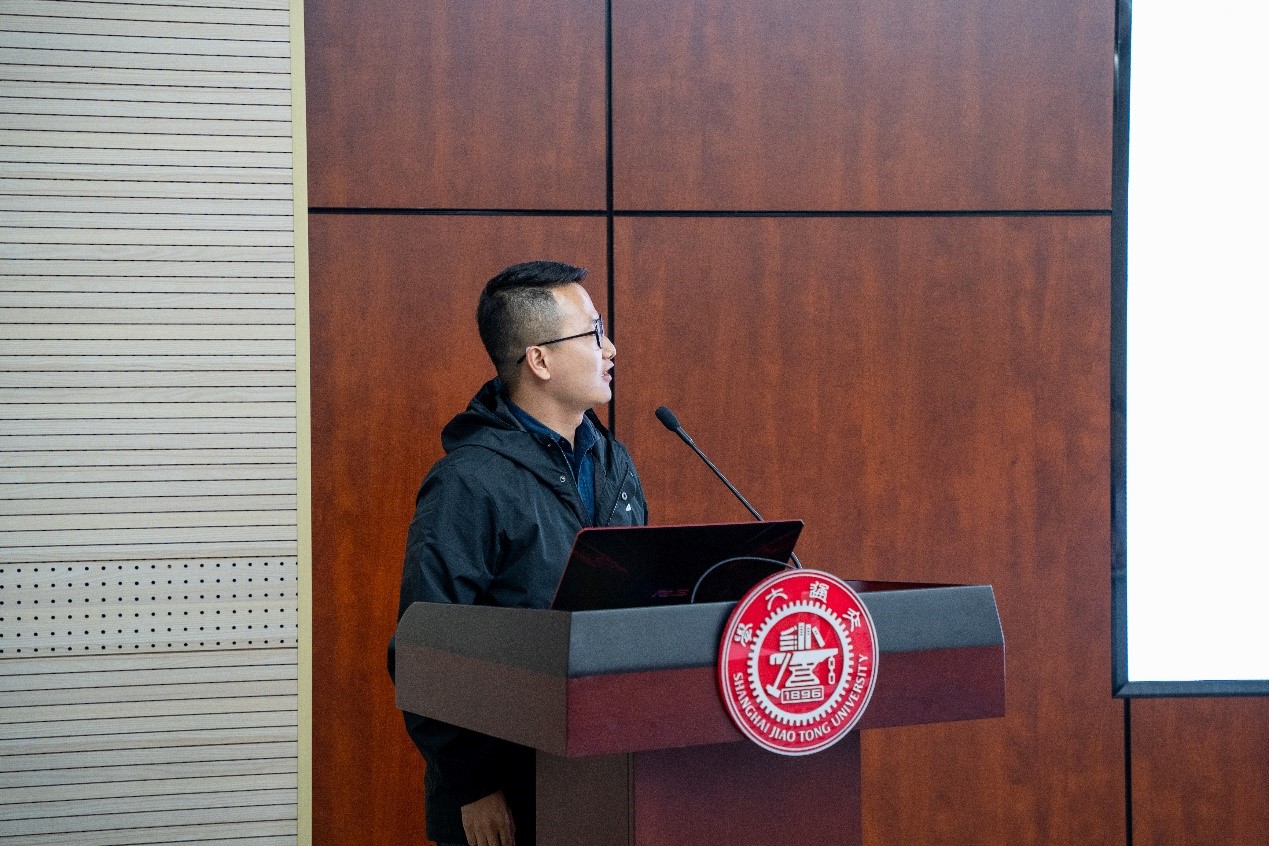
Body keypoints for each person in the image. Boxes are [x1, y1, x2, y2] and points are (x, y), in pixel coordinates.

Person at [389, 260, 648, 846]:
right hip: (505, 791)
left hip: (605, 777)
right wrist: (472, 786)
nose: (611, 349)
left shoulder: (614, 463)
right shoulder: (468, 482)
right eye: (594, 332)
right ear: (540, 360)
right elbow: (422, 647)